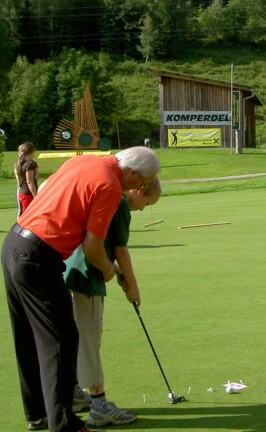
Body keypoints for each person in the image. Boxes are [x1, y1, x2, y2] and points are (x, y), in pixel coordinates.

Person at [2, 146, 159, 431]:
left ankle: (37, 413)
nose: (139, 187)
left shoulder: (86, 161)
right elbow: (92, 247)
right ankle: (64, 425)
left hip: (14, 243)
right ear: (132, 172)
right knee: (61, 340)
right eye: (142, 182)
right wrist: (110, 270)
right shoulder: (110, 186)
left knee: (27, 337)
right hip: (39, 258)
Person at [64, 178, 161, 428]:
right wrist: (133, 286)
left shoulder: (110, 199)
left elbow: (103, 244)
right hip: (87, 278)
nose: (142, 209)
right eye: (146, 203)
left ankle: (74, 393)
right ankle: (99, 406)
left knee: (75, 336)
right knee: (89, 337)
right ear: (139, 191)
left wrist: (116, 272)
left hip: (71, 273)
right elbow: (121, 250)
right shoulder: (120, 207)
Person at [14, 141, 39, 217]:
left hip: (22, 192)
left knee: (24, 215)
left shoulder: (18, 163)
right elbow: (30, 182)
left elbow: (19, 180)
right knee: (28, 216)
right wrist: (36, 196)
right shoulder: (30, 165)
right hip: (28, 194)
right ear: (31, 153)